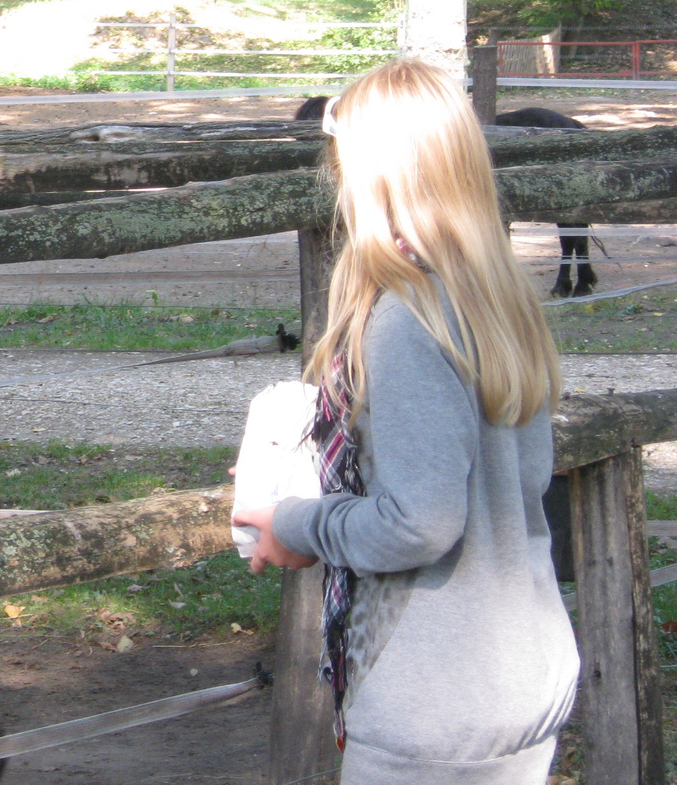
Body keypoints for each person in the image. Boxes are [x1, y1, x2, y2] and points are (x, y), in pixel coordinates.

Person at [231, 58, 578, 783]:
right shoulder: (498, 301)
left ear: (371, 177)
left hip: (433, 700)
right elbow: (503, 475)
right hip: (522, 675)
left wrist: (292, 520)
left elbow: (419, 522)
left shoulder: (406, 320)